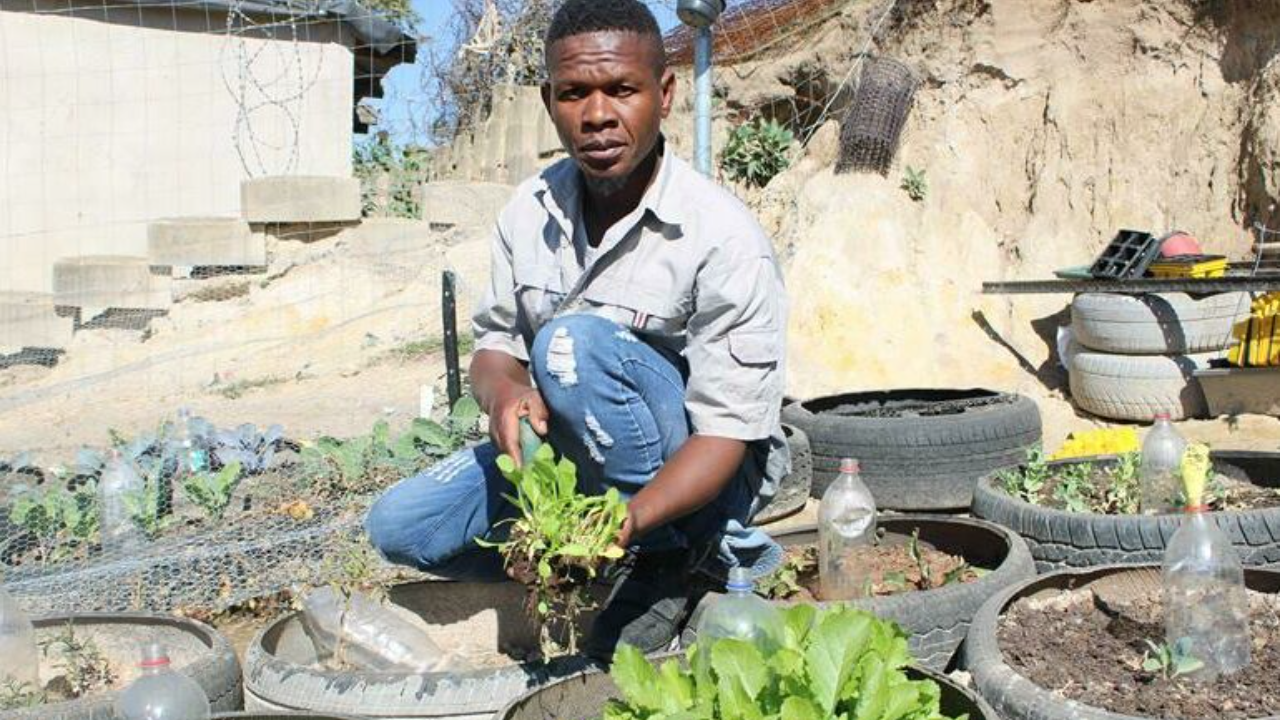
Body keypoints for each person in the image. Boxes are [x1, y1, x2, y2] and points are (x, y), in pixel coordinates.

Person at [365, 0, 789, 662]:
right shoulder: (526, 212)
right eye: (574, 93)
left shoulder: (721, 236)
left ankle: (667, 559)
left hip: (695, 476)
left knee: (567, 346)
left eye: (622, 89)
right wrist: (502, 393)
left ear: (665, 94)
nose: (597, 114)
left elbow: (728, 435)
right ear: (548, 100)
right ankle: (561, 560)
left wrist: (626, 521)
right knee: (399, 524)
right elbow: (495, 347)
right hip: (572, 459)